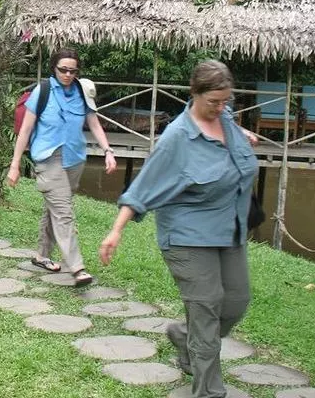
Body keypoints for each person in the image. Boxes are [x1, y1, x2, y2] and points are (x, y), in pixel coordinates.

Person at [98, 60, 259, 398]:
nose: (220, 108)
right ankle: (209, 390)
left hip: (229, 230)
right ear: (194, 94)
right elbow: (144, 187)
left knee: (236, 301)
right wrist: (116, 231)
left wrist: (241, 134)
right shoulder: (177, 138)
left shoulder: (225, 119)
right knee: (208, 307)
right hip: (187, 236)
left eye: (225, 101)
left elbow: (227, 129)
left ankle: (186, 338)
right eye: (213, 102)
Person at [7, 47, 117, 286]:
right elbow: (25, 130)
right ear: (53, 68)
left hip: (75, 158)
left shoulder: (82, 91)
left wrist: (108, 151)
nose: (67, 74)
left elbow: (94, 124)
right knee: (64, 213)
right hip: (48, 158)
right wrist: (15, 165)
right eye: (63, 70)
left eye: (72, 71)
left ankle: (42, 255)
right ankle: (77, 268)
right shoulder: (42, 91)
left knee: (54, 207)